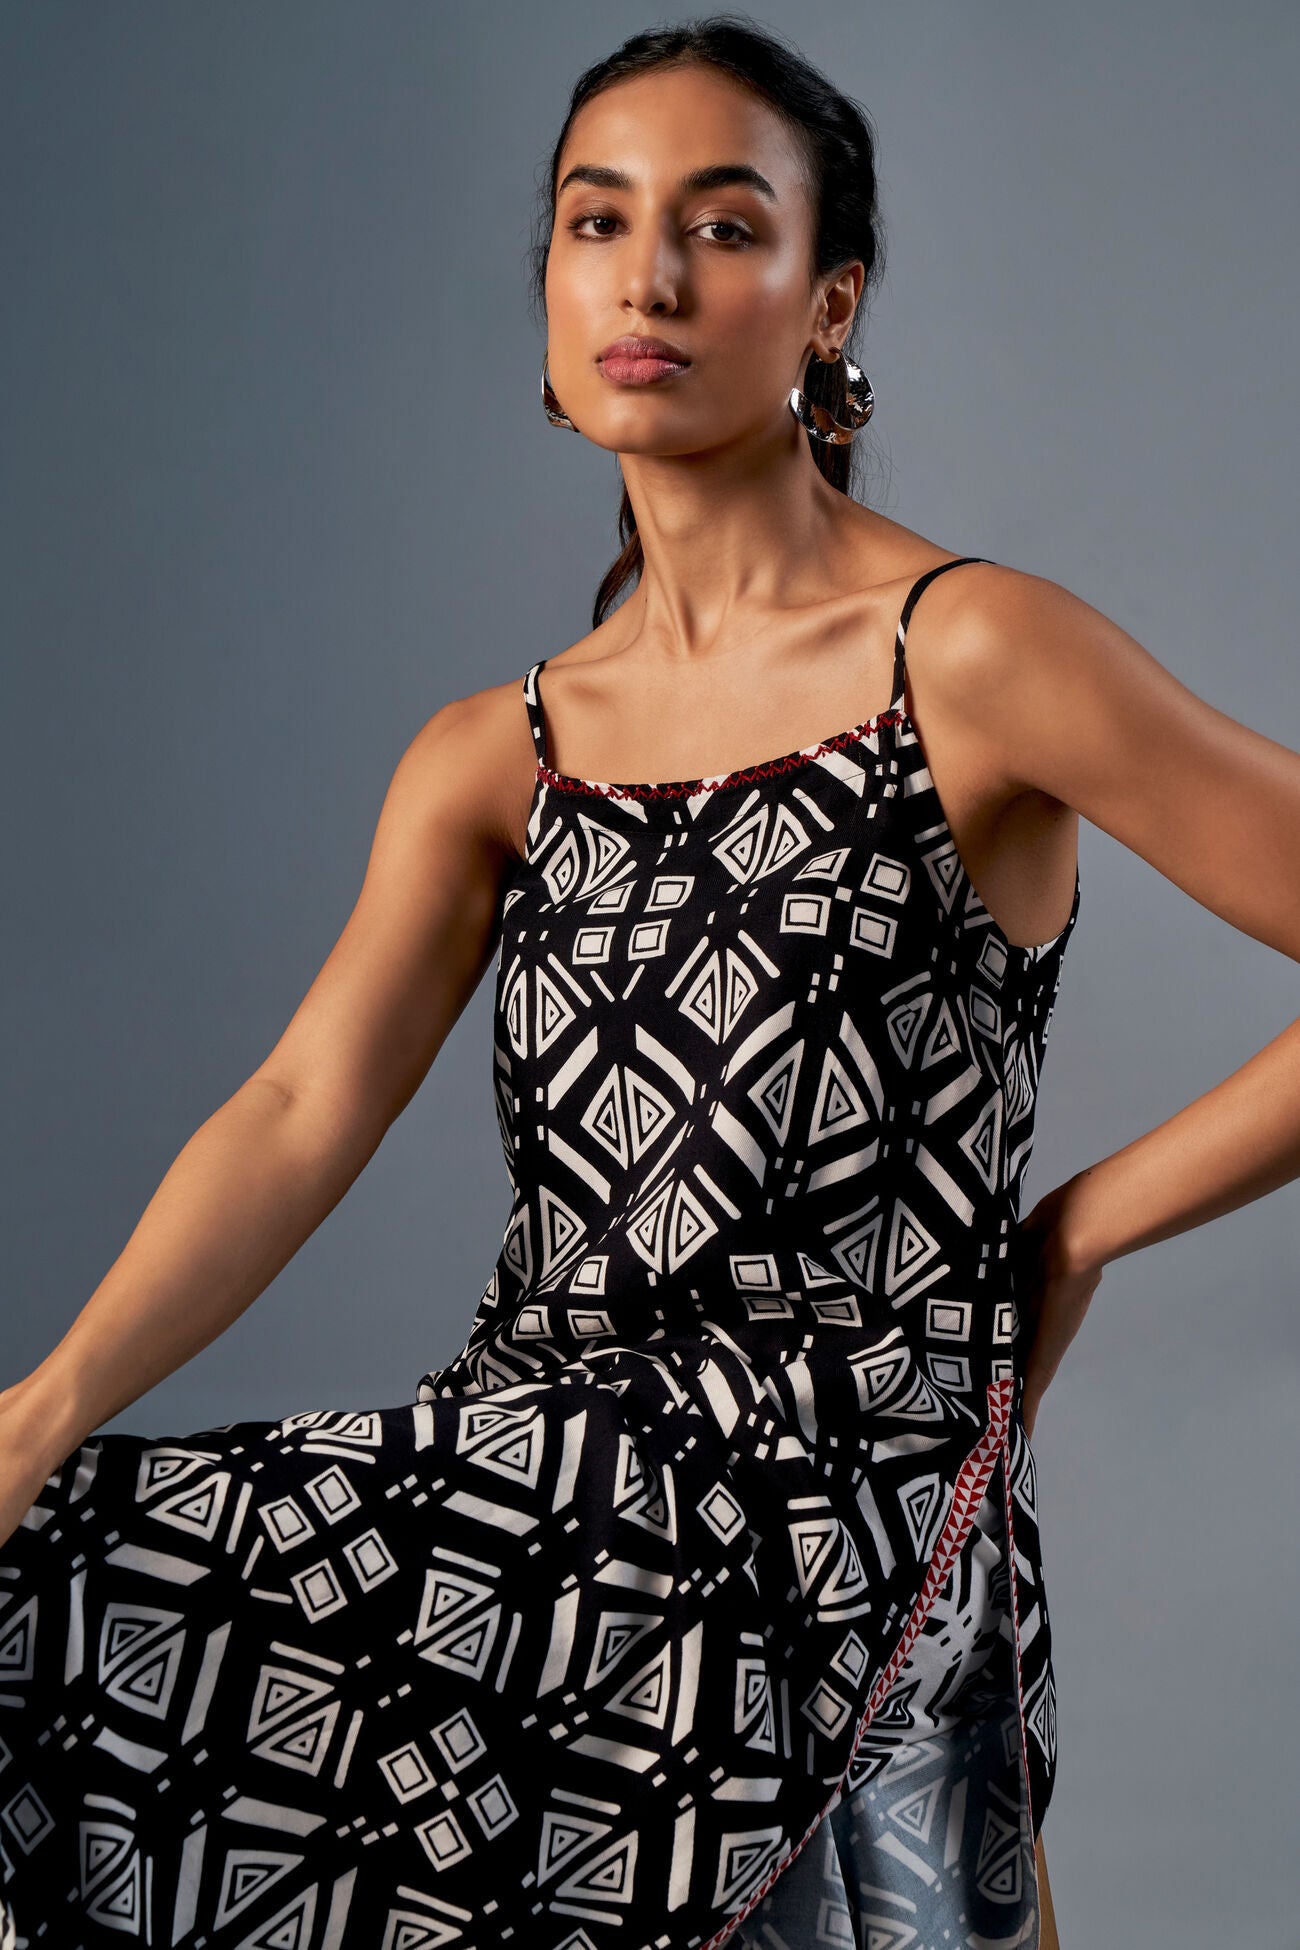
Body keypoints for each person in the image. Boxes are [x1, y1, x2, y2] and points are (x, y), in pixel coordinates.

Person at [3, 17, 1297, 1949]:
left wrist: (1082, 1223)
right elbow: (293, 1110)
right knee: (65, 1602)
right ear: (546, 288)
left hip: (842, 1484)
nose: (650, 276)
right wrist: (45, 1405)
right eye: (597, 223)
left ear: (826, 299)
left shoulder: (971, 654)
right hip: (552, 1493)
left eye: (722, 223)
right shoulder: (492, 757)